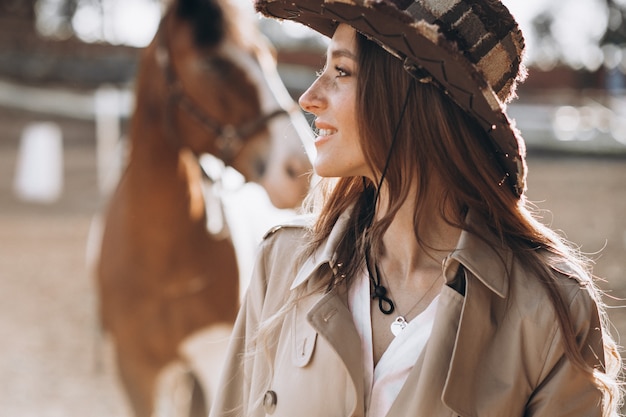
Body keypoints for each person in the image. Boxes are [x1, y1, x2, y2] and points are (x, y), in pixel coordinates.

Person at [209, 0, 623, 416]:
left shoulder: (550, 314)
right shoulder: (280, 264)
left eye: (341, 72)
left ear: (410, 92)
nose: (309, 98)